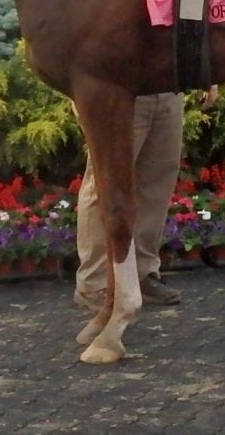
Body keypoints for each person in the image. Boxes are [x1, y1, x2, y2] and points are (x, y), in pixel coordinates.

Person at [73, 93, 187, 312]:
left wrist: (205, 75)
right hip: (119, 90)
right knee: (105, 182)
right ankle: (94, 282)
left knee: (156, 181)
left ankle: (142, 273)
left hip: (169, 88)